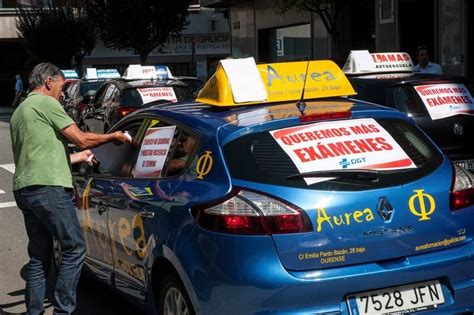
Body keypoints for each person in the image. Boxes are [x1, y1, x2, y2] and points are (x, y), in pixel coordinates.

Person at [10, 62, 131, 315]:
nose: (63, 93)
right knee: (74, 248)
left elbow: (39, 155)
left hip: (26, 188)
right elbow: (81, 137)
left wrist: (79, 157)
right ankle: (64, 311)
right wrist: (114, 137)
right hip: (49, 188)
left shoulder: (21, 110)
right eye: (62, 85)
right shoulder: (46, 103)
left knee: (39, 258)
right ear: (48, 82)